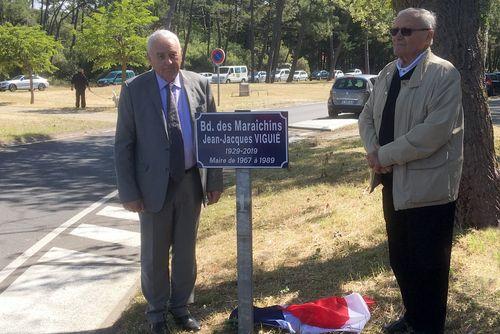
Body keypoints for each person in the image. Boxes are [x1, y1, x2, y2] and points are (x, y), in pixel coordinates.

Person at [358, 8, 464, 334]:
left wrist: (383, 155)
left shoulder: (444, 74)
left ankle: (429, 326)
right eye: (394, 30)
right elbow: (367, 117)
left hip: (429, 189)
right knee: (400, 258)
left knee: (429, 265)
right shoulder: (389, 72)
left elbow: (433, 133)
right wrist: (374, 153)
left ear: (428, 36)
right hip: (392, 183)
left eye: (407, 30)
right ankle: (414, 317)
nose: (398, 36)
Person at [114, 30, 223, 334]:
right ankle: (156, 311)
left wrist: (214, 179)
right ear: (149, 58)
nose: (167, 61)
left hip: (190, 182)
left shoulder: (200, 85)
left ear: (181, 55)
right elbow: (123, 144)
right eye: (160, 56)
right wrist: (129, 191)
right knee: (154, 254)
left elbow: (212, 137)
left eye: (172, 54)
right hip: (151, 189)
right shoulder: (134, 90)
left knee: (186, 252)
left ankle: (181, 307)